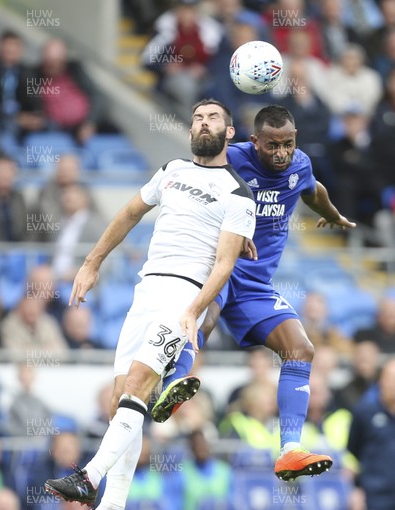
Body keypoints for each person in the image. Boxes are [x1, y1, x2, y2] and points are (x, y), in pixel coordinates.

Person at [44, 99, 256, 510]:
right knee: (120, 399)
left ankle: (89, 477)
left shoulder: (238, 193)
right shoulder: (172, 169)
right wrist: (91, 262)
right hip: (146, 289)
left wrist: (194, 313)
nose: (203, 123)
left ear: (229, 133)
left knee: (139, 383)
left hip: (183, 295)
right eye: (197, 117)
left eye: (213, 117)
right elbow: (128, 214)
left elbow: (223, 264)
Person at [152, 104, 356, 482]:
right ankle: (171, 386)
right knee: (206, 317)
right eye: (273, 146)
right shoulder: (229, 159)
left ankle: (290, 450)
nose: (281, 153)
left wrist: (333, 212)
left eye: (288, 145)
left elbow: (312, 189)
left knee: (301, 348)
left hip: (255, 284)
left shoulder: (299, 165)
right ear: (254, 142)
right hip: (218, 267)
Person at [347, 357, 395, 510]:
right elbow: (351, 457)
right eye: (389, 379)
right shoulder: (364, 413)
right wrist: (355, 491)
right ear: (381, 382)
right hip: (375, 498)